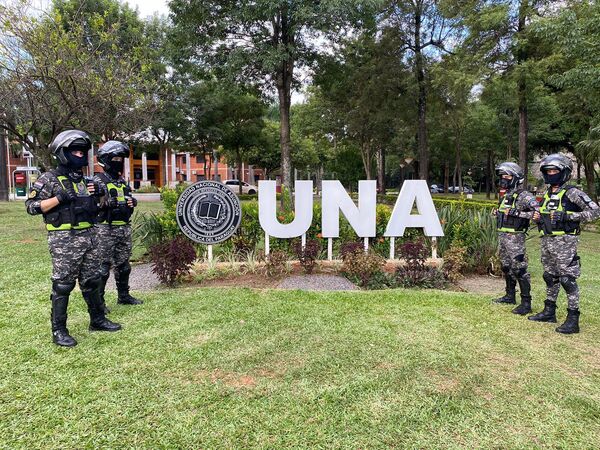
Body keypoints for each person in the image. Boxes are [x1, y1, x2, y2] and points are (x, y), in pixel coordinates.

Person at [25, 130, 121, 347]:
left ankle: (97, 320)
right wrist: (57, 198)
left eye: (82, 151)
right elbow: (31, 207)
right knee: (63, 285)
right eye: (74, 150)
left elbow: (103, 206)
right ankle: (59, 330)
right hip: (64, 239)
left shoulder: (86, 180)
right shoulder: (48, 179)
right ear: (62, 153)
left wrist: (100, 193)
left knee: (92, 280)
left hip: (90, 237)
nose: (79, 155)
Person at [529, 153, 600, 334]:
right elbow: (547, 215)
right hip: (547, 241)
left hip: (565, 243)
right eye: (548, 170)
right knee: (549, 276)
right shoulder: (547, 193)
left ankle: (573, 318)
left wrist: (569, 216)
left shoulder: (573, 193)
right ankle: (549, 311)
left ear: (564, 172)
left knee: (567, 279)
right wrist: (538, 218)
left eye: (554, 170)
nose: (551, 174)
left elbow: (595, 212)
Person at [94, 140, 142, 312]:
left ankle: (124, 296)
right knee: (103, 268)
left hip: (123, 227)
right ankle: (99, 303)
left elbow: (127, 198)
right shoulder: (97, 181)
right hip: (105, 229)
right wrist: (106, 203)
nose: (118, 162)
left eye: (121, 158)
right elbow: (90, 205)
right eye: (115, 158)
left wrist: (132, 202)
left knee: (124, 265)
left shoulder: (122, 181)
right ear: (105, 159)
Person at [492, 162, 540, 315]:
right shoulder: (505, 195)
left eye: (507, 176)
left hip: (516, 237)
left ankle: (526, 303)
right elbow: (504, 212)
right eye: (502, 176)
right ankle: (509, 296)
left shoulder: (524, 196)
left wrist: (515, 213)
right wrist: (497, 213)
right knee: (506, 267)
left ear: (516, 177)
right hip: (503, 236)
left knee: (520, 269)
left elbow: (538, 214)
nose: (504, 179)